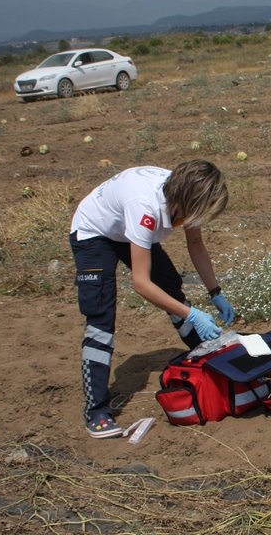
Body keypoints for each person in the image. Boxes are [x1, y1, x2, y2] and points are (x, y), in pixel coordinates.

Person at [69, 160, 235, 439]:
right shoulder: (145, 207)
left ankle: (204, 353)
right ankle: (96, 410)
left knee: (171, 288)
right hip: (94, 231)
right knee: (101, 317)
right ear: (187, 201)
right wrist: (192, 314)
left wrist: (215, 292)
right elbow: (142, 284)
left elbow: (195, 244)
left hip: (127, 228)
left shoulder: (185, 193)